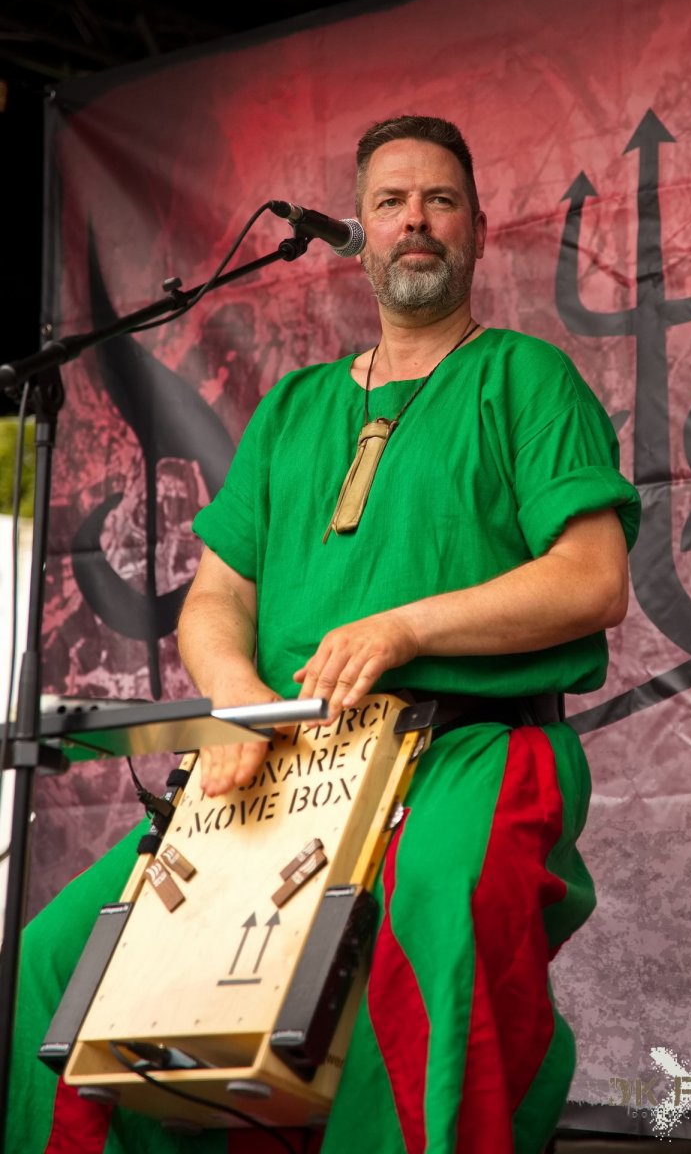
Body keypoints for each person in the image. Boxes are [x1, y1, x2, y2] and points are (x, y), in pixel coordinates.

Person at [5, 115, 640, 1154]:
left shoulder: (526, 378)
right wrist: (236, 700)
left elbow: (592, 579)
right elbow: (216, 600)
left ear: (478, 229)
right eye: (390, 203)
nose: (415, 220)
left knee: (434, 917)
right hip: (286, 758)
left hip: (464, 747)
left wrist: (402, 628)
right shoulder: (292, 408)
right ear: (358, 233)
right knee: (59, 963)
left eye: (439, 200)